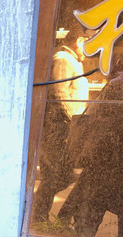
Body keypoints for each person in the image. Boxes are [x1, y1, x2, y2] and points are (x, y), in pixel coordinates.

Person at [57, 51, 123, 237]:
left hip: (105, 156)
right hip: (121, 160)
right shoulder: (119, 85)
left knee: (91, 211)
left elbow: (96, 113)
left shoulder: (115, 85)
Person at [31, 28, 89, 222]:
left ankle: (37, 214)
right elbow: (59, 93)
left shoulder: (72, 60)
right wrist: (74, 121)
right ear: (78, 41)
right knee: (58, 175)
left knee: (59, 175)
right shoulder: (63, 59)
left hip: (64, 129)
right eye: (87, 44)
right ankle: (37, 214)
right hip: (57, 129)